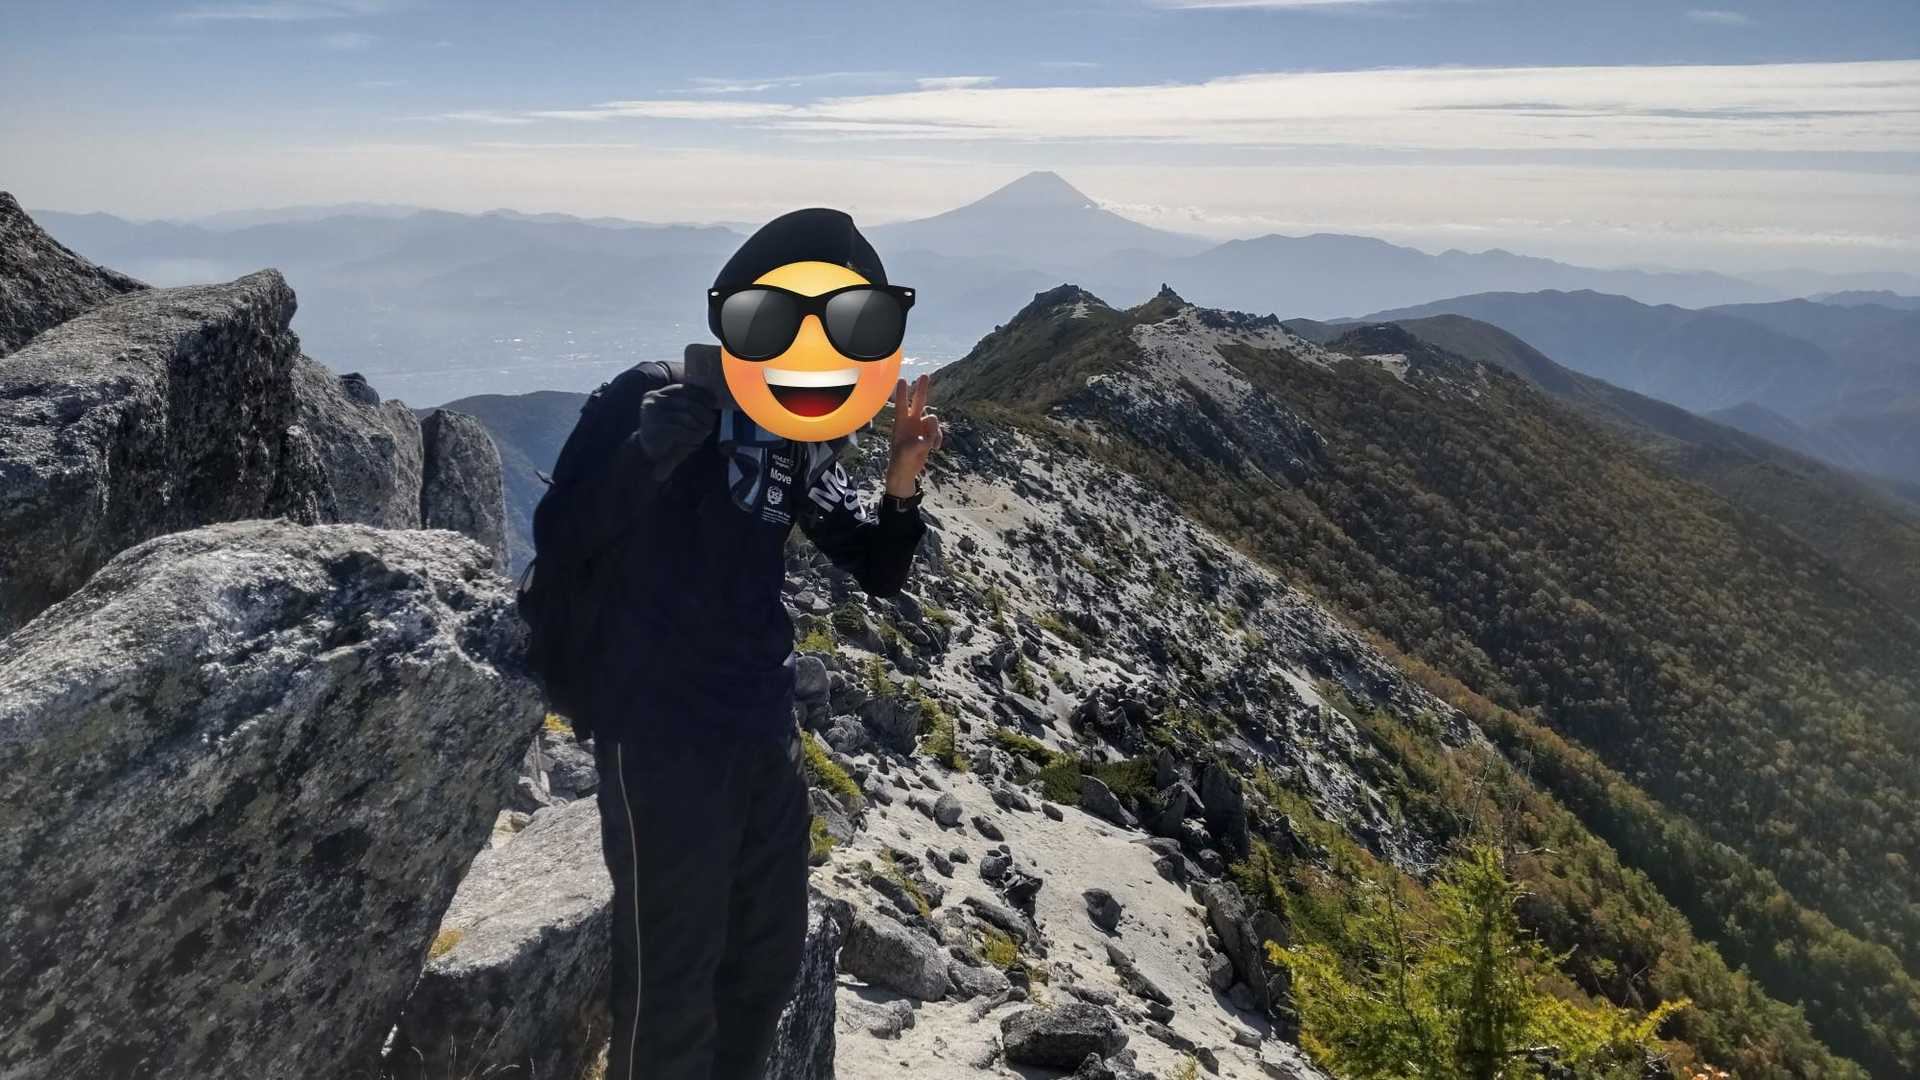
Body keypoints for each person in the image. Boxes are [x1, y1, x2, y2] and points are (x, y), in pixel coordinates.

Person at [530, 208, 940, 1080]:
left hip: (761, 728)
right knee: (671, 990)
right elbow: (561, 535)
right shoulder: (644, 397)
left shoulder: (795, 432)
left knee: (763, 967)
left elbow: (875, 566)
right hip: (658, 733)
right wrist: (645, 455)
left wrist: (901, 482)